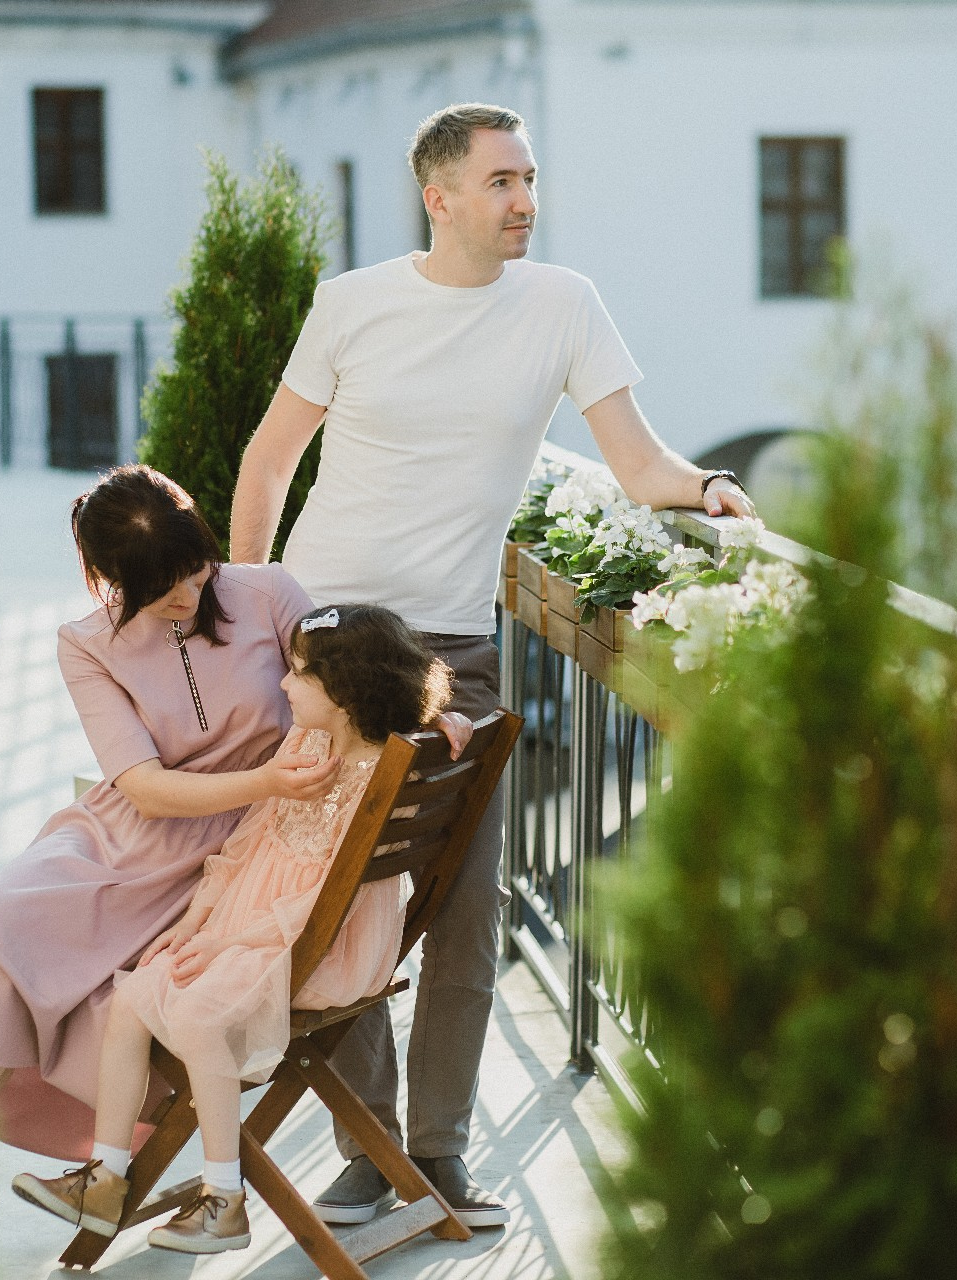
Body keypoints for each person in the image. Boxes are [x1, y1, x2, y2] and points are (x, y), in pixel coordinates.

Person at [229, 102, 759, 1228]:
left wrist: (704, 486)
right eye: (503, 182)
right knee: (343, 903)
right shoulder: (353, 305)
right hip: (326, 644)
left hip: (455, 650)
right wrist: (252, 607)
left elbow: (635, 459)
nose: (525, 200)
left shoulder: (565, 304)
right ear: (442, 198)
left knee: (465, 906)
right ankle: (368, 1150)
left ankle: (439, 1153)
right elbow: (269, 460)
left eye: (529, 179)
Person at [0, 465, 335, 1229]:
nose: (185, 595)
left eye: (194, 568)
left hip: (236, 851)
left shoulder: (270, 593)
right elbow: (141, 786)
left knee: (52, 965)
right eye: (158, 585)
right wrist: (267, 780)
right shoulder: (88, 645)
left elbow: (352, 676)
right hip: (128, 833)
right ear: (106, 577)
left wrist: (425, 707)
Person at [8, 606, 468, 1252]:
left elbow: (322, 909)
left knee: (197, 1013)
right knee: (134, 997)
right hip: (259, 927)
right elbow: (252, 836)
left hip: (323, 947)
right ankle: (106, 1175)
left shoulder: (384, 771)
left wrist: (226, 942)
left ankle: (224, 1198)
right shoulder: (308, 743)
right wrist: (199, 923)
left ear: (345, 691)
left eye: (299, 674)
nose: (283, 684)